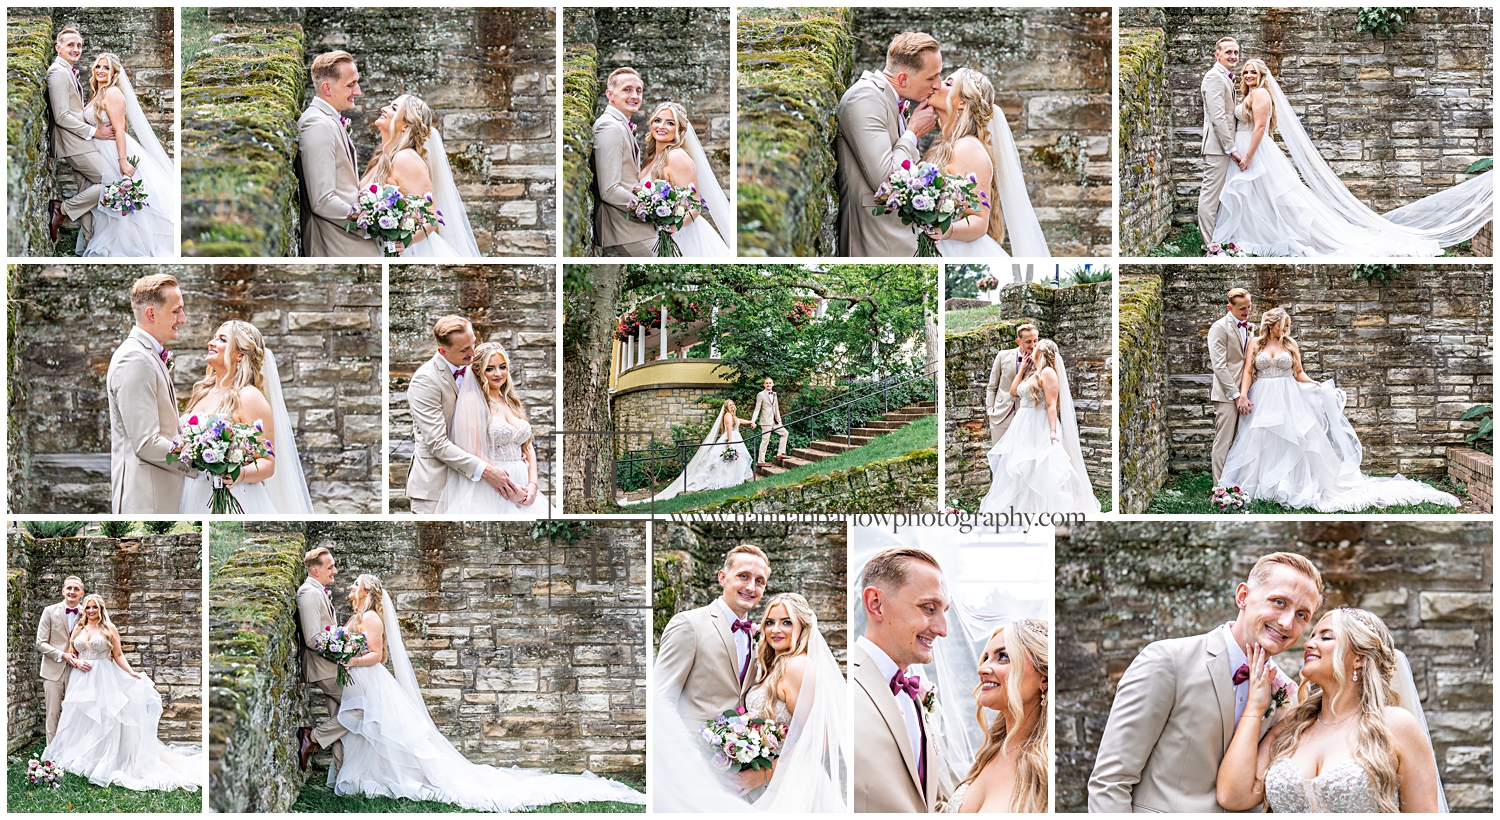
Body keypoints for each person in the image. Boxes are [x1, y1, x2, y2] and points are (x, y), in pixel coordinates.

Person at [329, 574, 646, 809]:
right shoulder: (357, 617)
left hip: (372, 680)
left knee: (385, 730)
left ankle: (407, 776)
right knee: (370, 731)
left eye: (356, 585)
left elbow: (378, 656)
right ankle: (376, 774)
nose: (351, 589)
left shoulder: (370, 617)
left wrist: (350, 658)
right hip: (362, 682)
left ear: (368, 591)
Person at [1216, 607, 1445, 812]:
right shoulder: (1294, 724)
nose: (1307, 644)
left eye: (1326, 637)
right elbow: (1233, 796)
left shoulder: (1396, 725)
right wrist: (1255, 705)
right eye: (1311, 636)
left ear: (1360, 659)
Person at [42, 594, 204, 791]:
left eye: (95, 607)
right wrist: (76, 662)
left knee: (105, 718)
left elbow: (118, 654)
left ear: (101, 609)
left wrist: (131, 672)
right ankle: (83, 758)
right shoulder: (78, 628)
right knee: (80, 718)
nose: (91, 611)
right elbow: (71, 652)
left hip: (103, 676)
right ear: (84, 610)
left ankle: (105, 759)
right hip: (81, 679)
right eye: (88, 608)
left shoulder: (109, 628)